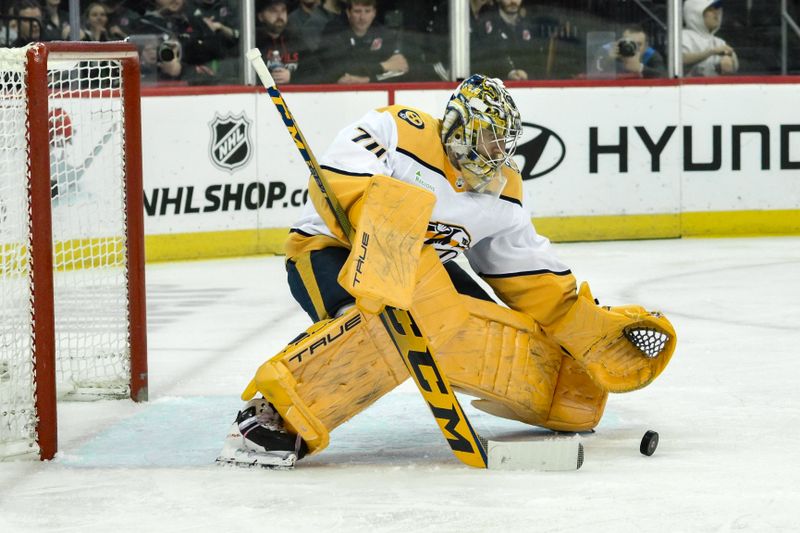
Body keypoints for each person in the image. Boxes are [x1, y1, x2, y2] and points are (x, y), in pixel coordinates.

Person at [216, 74, 677, 468]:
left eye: (503, 144)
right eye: (486, 140)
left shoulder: (504, 191)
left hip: (424, 269)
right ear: (457, 128)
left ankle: (563, 396)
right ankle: (272, 417)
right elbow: (342, 182)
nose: (495, 154)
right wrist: (390, 228)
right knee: (383, 323)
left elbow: (529, 275)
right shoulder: (397, 129)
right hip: (330, 251)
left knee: (481, 330)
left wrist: (586, 328)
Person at [317, 0, 411, 84]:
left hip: (376, 95)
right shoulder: (334, 30)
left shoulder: (383, 33)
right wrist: (383, 66)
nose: (362, 17)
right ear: (348, 13)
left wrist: (367, 80)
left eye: (367, 11)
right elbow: (337, 69)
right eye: (357, 11)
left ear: (374, 13)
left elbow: (400, 70)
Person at [472, 0, 555, 80]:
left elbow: (538, 62)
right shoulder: (486, 24)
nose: (513, 1)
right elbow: (485, 60)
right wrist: (509, 73)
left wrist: (528, 74)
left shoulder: (529, 25)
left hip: (527, 88)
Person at [256, 0, 320, 84]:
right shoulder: (253, 42)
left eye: (283, 10)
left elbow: (317, 72)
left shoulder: (295, 39)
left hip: (295, 95)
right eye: (273, 11)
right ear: (261, 16)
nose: (280, 16)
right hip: (262, 95)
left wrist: (293, 77)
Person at [682, 0, 739, 76]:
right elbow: (680, 61)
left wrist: (730, 60)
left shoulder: (720, 42)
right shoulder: (682, 36)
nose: (717, 13)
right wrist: (711, 52)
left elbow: (734, 67)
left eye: (717, 9)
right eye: (710, 10)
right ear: (695, 13)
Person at [592, 24, 666, 79]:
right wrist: (607, 60)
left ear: (646, 46)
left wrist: (640, 68)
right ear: (619, 41)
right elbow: (591, 76)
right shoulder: (607, 51)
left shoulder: (651, 55)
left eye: (638, 44)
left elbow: (664, 76)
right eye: (629, 43)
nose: (633, 48)